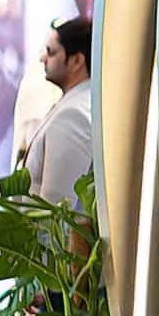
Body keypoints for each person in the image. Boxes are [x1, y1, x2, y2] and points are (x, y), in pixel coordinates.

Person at [22, 16, 96, 208]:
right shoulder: (78, 103)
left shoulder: (73, 115)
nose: (42, 58)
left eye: (51, 52)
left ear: (77, 60)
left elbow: (57, 209)